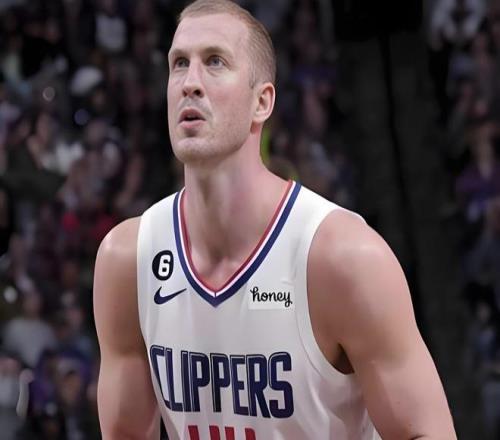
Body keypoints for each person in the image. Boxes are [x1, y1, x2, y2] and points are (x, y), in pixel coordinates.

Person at [93, 1, 457, 439]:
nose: (190, 83)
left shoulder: (344, 258)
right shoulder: (127, 260)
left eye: (215, 61)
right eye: (179, 64)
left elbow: (427, 431)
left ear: (261, 102)